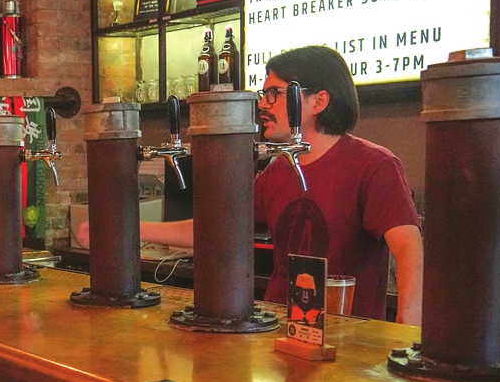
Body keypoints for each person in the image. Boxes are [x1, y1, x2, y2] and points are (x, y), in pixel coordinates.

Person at [134, 46, 423, 324]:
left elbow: (408, 246)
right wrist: (132, 229)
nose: (262, 104)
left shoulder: (374, 164)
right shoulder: (276, 170)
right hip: (279, 327)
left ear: (319, 101)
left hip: (348, 336)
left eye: (275, 94)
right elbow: (219, 231)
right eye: (264, 94)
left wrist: (408, 320)